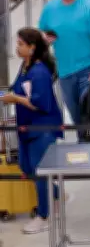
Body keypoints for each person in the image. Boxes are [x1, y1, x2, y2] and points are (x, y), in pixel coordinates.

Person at [2, 28, 64, 234]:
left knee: (39, 171)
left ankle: (43, 216)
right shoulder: (25, 66)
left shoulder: (40, 72)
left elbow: (41, 104)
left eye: (20, 44)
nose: (17, 48)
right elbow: (15, 88)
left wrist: (16, 99)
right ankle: (55, 194)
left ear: (32, 47)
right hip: (26, 127)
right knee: (26, 166)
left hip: (42, 127)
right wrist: (7, 94)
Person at [39, 0, 90, 129]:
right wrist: (45, 38)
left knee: (87, 112)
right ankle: (84, 142)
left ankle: (87, 145)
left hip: (87, 70)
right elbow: (42, 32)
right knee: (76, 116)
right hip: (65, 72)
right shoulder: (49, 9)